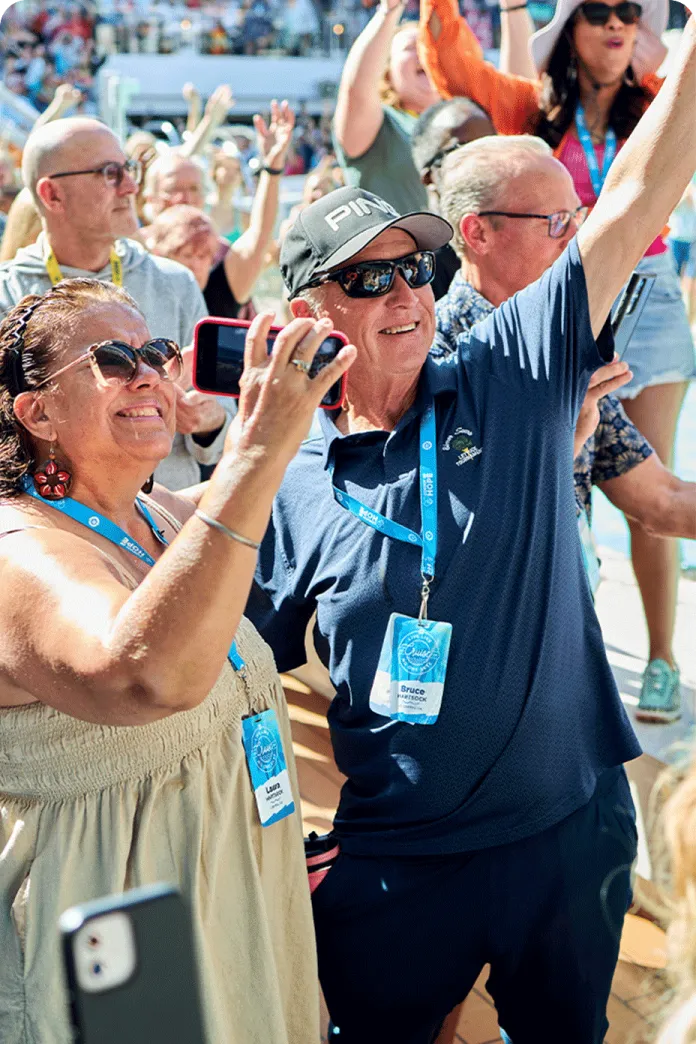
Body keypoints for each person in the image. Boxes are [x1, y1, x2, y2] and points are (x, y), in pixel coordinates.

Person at [234, 14, 696, 1038]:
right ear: (310, 312)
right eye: (368, 278)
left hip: (565, 836)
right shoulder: (280, 476)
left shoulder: (506, 374)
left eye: (414, 269)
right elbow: (235, 677)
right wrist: (281, 837)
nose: (405, 293)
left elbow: (637, 198)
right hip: (394, 865)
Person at [0, 276, 355, 1044]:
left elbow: (263, 500)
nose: (148, 374)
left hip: (233, 887)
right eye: (112, 358)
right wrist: (255, 447)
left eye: (157, 353)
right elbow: (145, 675)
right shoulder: (18, 551)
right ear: (37, 413)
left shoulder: (159, 514)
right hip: (118, 926)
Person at [419, 0, 695, 720]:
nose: (577, 238)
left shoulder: (567, 353)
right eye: (556, 223)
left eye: (579, 218)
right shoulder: (428, 352)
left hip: (554, 639)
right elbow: (453, 521)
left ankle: (659, 658)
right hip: (475, 649)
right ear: (476, 233)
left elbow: (663, 501)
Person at [0, 116, 227, 491]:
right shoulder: (9, 294)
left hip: (171, 514)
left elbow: (223, 423)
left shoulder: (173, 282)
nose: (130, 187)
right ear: (52, 195)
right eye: (109, 173)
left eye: (128, 169)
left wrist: (209, 420)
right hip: (55, 515)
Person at [144, 100, 295, 320]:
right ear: (150, 198)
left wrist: (272, 168)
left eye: (194, 189)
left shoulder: (219, 257)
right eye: (174, 189)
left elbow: (260, 235)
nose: (184, 199)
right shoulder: (132, 254)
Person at [332, 0, 440, 213]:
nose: (423, 53)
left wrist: (509, 9)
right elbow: (357, 91)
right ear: (387, 72)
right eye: (411, 48)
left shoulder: (462, 121)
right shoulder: (386, 123)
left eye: (428, 46)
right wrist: (390, 11)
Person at [410, 96, 496, 299]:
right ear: (429, 176)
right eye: (463, 150)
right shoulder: (416, 269)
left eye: (492, 145)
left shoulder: (512, 236)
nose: (484, 161)